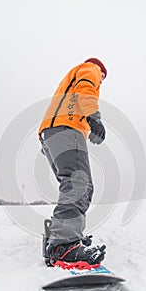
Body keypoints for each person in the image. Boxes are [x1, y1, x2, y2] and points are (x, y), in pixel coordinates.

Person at [38, 58, 107, 266]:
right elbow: (85, 87)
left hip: (51, 133)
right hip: (66, 128)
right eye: (102, 79)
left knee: (72, 184)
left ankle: (60, 237)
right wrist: (93, 117)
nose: (101, 81)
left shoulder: (71, 76)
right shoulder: (91, 68)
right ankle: (64, 245)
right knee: (80, 184)